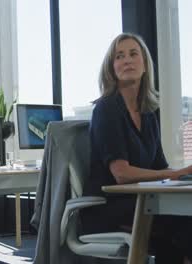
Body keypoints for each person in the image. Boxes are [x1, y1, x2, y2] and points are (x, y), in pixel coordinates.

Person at [81, 33, 192, 264]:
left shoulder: (149, 113)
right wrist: (173, 174)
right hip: (107, 207)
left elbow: (160, 167)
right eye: (119, 56)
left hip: (141, 202)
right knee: (184, 224)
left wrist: (184, 176)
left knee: (181, 224)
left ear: (145, 64)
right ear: (112, 68)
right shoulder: (106, 109)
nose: (127, 60)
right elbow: (121, 174)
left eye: (133, 54)